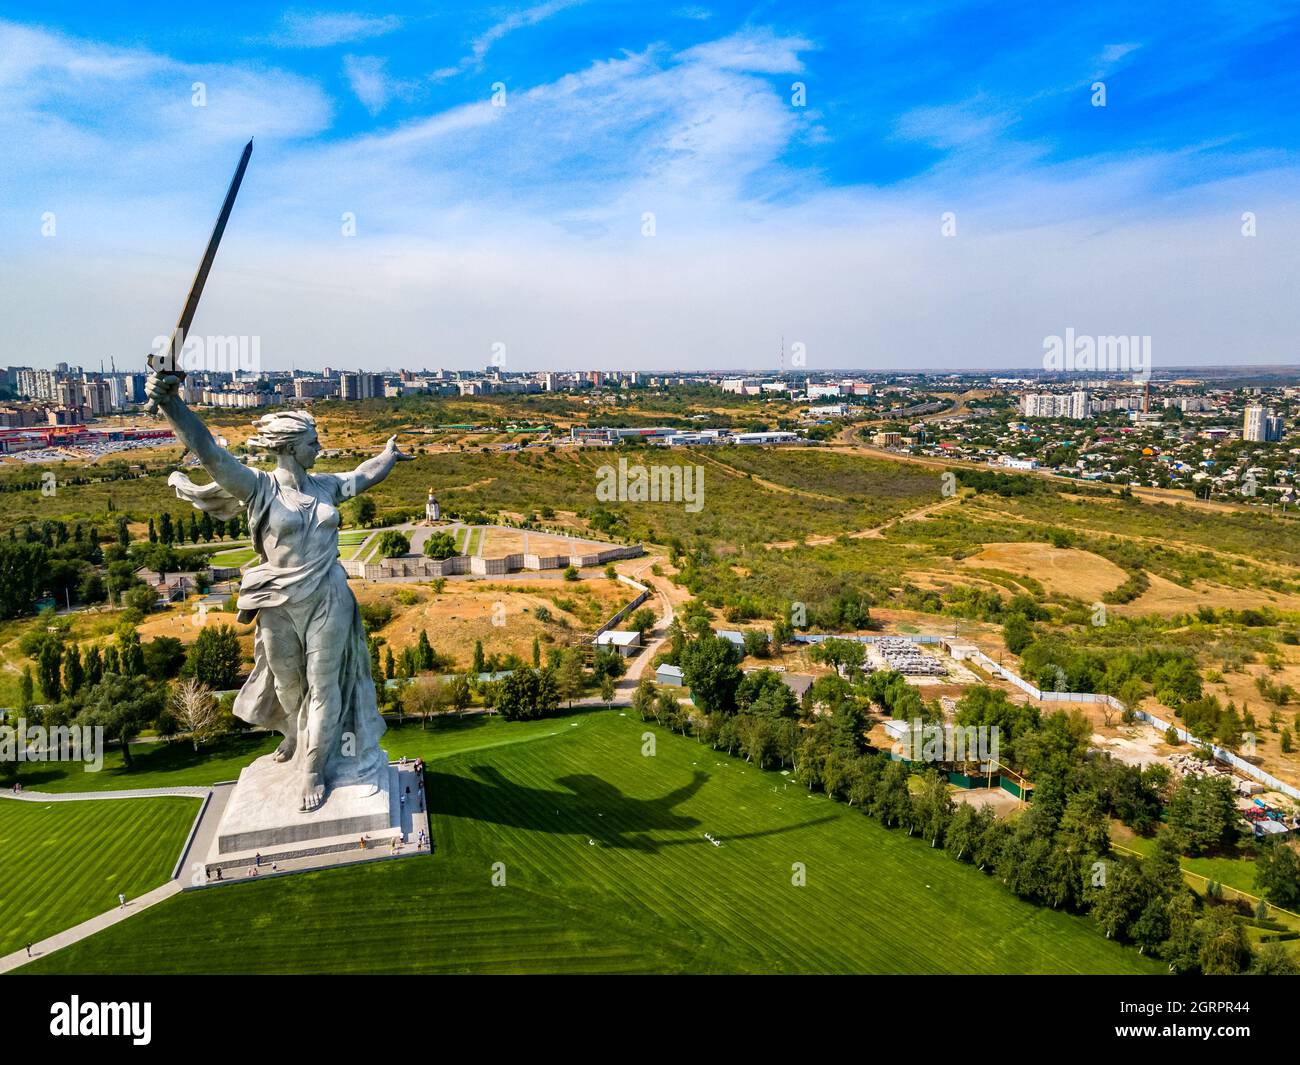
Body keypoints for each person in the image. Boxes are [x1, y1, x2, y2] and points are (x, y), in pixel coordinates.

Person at [146, 374, 412, 814]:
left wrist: (388, 455)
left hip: (328, 596)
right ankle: (294, 732)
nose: (319, 448)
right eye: (312, 442)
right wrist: (171, 404)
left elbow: (361, 476)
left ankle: (313, 769)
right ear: (289, 447)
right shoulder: (258, 488)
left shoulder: (326, 486)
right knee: (289, 684)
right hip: (277, 601)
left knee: (324, 685)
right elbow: (209, 451)